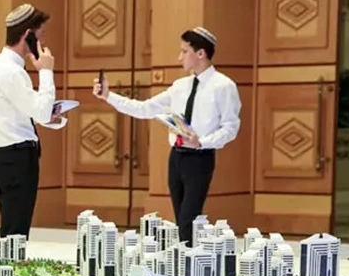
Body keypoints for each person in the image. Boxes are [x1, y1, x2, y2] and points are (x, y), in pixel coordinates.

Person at [94, 26, 241, 245]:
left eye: (184, 51)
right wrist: (109, 96)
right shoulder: (179, 87)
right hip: (176, 157)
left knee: (189, 218)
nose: (179, 57)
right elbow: (144, 108)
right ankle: (185, 257)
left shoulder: (224, 86)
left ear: (200, 53)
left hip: (200, 158)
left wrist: (201, 142)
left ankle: (190, 260)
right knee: (181, 218)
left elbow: (230, 127)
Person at [0, 3, 64, 238]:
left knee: (11, 229)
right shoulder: (13, 72)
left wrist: (47, 116)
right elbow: (41, 112)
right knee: (16, 233)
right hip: (18, 159)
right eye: (41, 34)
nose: (43, 40)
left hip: (2, 158)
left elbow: (18, 112)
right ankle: (10, 264)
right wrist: (46, 71)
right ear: (28, 35)